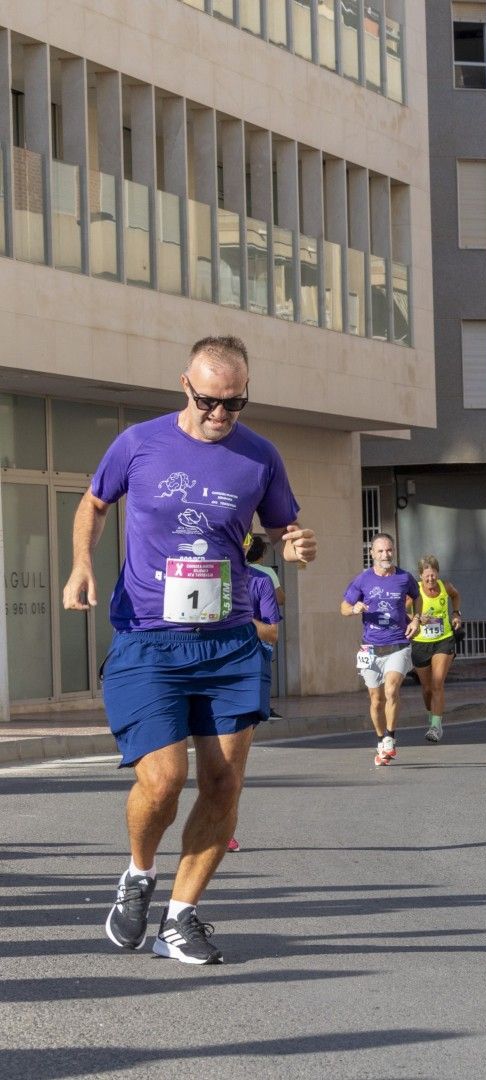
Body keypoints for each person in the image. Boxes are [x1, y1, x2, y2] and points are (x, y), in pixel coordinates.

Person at [63, 334, 316, 965]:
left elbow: (281, 526)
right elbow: (94, 503)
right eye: (209, 401)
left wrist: (293, 545)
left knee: (224, 783)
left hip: (228, 643)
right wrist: (80, 567)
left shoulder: (259, 456)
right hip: (148, 639)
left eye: (235, 403)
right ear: (185, 386)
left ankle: (182, 916)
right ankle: (138, 874)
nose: (221, 415)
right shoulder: (140, 443)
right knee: (164, 779)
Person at [342, 534, 420, 766]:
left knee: (392, 689)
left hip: (398, 643)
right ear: (372, 554)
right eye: (380, 551)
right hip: (370, 648)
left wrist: (415, 619)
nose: (385, 555)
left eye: (389, 550)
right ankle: (380, 739)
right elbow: (343, 608)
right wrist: (354, 608)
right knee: (376, 700)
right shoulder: (362, 580)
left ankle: (390, 737)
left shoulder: (404, 577)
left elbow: (418, 598)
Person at [229, 551, 285, 856]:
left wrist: (241, 618)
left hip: (245, 672)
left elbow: (271, 633)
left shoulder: (260, 582)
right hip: (201, 670)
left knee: (232, 759)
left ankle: (224, 828)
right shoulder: (193, 573)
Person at [410, 555, 462, 744]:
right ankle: (431, 715)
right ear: (420, 576)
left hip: (443, 639)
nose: (430, 580)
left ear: (438, 574)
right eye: (427, 577)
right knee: (426, 688)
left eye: (433, 575)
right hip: (421, 642)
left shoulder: (445, 587)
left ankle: (436, 726)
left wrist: (456, 614)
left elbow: (456, 596)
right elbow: (402, 611)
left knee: (437, 682)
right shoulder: (414, 591)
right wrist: (415, 619)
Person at [244, 533, 285, 718]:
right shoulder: (267, 573)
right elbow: (281, 598)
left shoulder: (262, 578)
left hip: (257, 640)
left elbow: (272, 632)